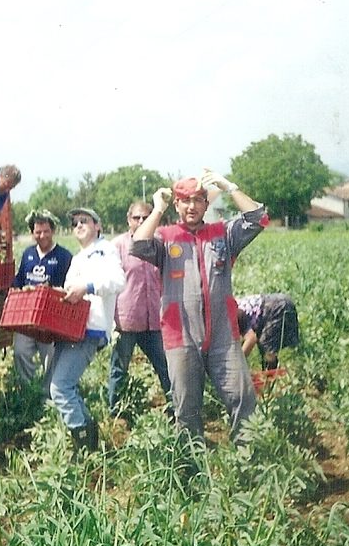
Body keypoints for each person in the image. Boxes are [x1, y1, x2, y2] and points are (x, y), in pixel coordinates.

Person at [130, 171, 268, 442]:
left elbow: (258, 218)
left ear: (206, 204)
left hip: (223, 337)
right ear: (177, 205)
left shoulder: (223, 234)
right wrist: (158, 208)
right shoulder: (166, 237)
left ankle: (247, 462)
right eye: (184, 201)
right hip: (180, 337)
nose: (191, 206)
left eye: (197, 200)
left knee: (243, 399)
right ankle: (192, 472)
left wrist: (230, 186)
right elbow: (138, 245)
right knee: (187, 410)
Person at [49, 207, 126, 452]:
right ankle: (90, 439)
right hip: (72, 328)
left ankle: (84, 447)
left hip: (90, 329)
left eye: (85, 221)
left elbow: (118, 281)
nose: (79, 225)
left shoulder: (105, 250)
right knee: (62, 385)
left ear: (98, 226)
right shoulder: (79, 257)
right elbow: (72, 288)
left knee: (60, 387)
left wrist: (88, 286)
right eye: (75, 223)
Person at [108, 200, 174, 419]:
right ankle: (116, 413)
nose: (141, 221)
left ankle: (176, 410)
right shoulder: (117, 246)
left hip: (154, 319)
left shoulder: (160, 246)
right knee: (119, 369)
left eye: (146, 218)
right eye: (137, 218)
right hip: (126, 320)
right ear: (129, 220)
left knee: (164, 366)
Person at [11, 209, 73, 392]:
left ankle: (48, 392)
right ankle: (27, 389)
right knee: (20, 351)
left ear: (52, 231)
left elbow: (69, 285)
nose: (42, 235)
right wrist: (14, 288)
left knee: (51, 355)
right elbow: (20, 278)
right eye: (38, 232)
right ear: (32, 233)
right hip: (28, 316)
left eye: (46, 231)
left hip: (51, 317)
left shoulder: (64, 256)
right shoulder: (28, 254)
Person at [236, 293, 300, 371]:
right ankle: (272, 373)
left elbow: (251, 339)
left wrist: (236, 365)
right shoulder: (227, 311)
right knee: (266, 348)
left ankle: (271, 376)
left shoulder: (235, 314)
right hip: (274, 304)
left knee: (267, 346)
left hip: (276, 307)